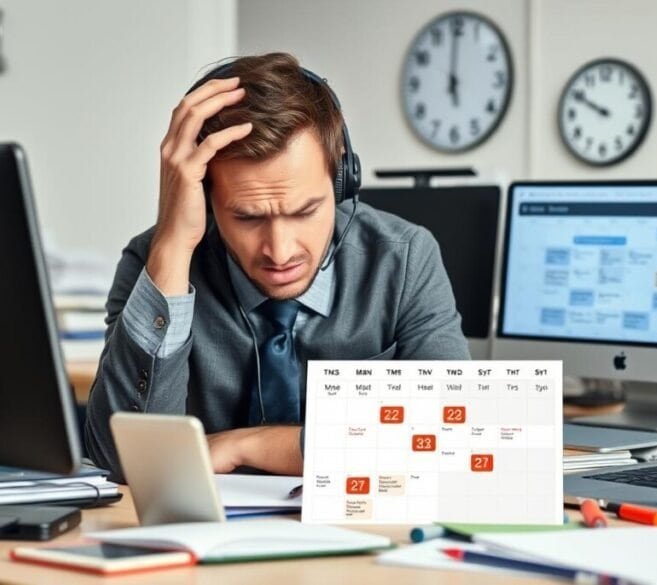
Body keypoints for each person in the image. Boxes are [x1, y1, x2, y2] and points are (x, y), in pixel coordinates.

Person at [84, 53, 469, 478]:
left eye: (305, 211)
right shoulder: (155, 262)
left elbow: (450, 440)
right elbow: (122, 463)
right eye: (247, 217)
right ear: (208, 199)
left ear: (342, 177)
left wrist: (246, 445)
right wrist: (174, 246)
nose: (280, 251)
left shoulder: (405, 259)